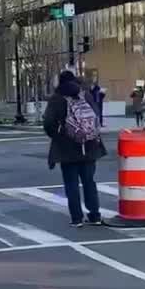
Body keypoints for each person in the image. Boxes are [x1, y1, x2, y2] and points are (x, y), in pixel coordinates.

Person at [43, 70, 107, 227]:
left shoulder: (57, 99)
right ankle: (95, 215)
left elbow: (48, 123)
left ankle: (77, 218)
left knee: (71, 184)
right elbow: (97, 116)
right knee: (89, 182)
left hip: (67, 149)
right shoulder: (86, 96)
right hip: (89, 146)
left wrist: (58, 135)